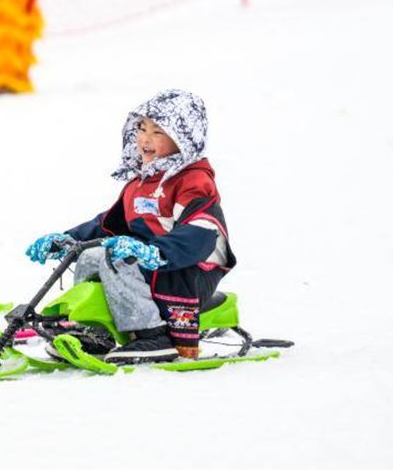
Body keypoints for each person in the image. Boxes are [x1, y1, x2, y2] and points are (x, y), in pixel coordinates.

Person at [24, 90, 236, 364]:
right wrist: (68, 241)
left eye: (158, 132)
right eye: (142, 129)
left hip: (188, 271)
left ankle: (153, 335)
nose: (145, 139)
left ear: (183, 138)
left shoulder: (193, 181)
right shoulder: (141, 183)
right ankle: (95, 331)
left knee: (117, 259)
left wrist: (153, 252)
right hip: (154, 267)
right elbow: (110, 226)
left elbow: (200, 234)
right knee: (92, 255)